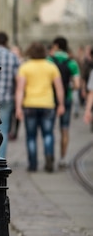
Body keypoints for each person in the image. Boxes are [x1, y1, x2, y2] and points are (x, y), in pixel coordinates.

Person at [15, 42, 65, 172]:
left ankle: (32, 164)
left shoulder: (25, 67)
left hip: (30, 104)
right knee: (48, 134)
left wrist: (18, 108)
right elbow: (59, 88)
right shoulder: (51, 66)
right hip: (47, 104)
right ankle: (49, 156)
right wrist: (61, 104)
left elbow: (20, 89)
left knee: (31, 136)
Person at [48, 36, 81, 169]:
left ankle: (49, 155)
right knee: (64, 129)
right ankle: (62, 159)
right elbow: (77, 85)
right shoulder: (72, 63)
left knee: (49, 130)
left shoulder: (49, 61)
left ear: (55, 46)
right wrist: (67, 87)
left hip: (50, 99)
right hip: (66, 99)